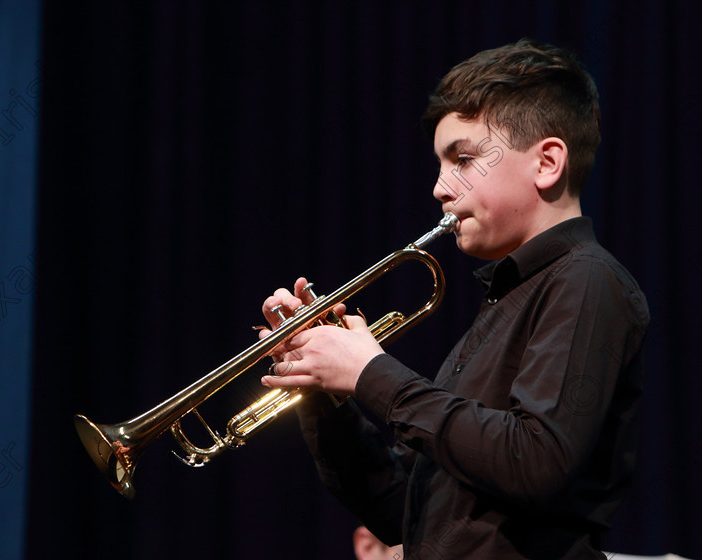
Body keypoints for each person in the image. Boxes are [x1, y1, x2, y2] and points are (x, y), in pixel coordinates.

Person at [257, 39, 649, 559]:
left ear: (548, 162)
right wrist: (324, 389)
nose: (441, 188)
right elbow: (403, 513)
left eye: (463, 159)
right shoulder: (508, 299)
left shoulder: (587, 281)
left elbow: (536, 462)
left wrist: (372, 372)